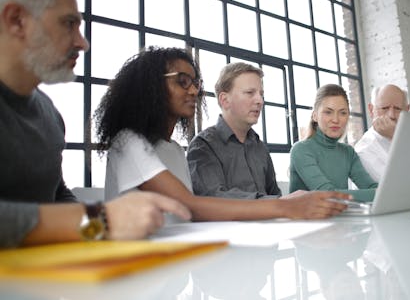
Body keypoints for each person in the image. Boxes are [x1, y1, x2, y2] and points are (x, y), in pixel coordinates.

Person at [0, 0, 190, 248]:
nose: (82, 43)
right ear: (17, 20)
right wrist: (101, 220)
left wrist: (97, 232)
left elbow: (57, 195)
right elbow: (82, 219)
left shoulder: (50, 116)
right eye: (68, 23)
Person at [95, 47, 353, 221]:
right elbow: (192, 206)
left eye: (195, 83)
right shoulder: (128, 141)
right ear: (150, 85)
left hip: (175, 268)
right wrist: (287, 205)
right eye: (182, 81)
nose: (194, 91)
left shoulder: (174, 149)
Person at [186, 62, 281, 199]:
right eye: (250, 93)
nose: (260, 100)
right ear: (225, 100)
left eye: (261, 94)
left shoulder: (260, 147)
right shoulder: (203, 145)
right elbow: (214, 199)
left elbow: (275, 194)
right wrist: (278, 202)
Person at [289, 84, 378, 192]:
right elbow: (328, 195)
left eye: (342, 113)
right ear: (315, 116)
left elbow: (376, 191)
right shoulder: (301, 150)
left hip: (342, 209)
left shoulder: (348, 152)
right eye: (328, 112)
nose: (336, 119)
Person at [354, 84, 410, 182]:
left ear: (407, 111)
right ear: (371, 110)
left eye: (397, 109)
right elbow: (402, 186)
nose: (391, 115)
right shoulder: (363, 151)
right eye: (384, 108)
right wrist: (395, 138)